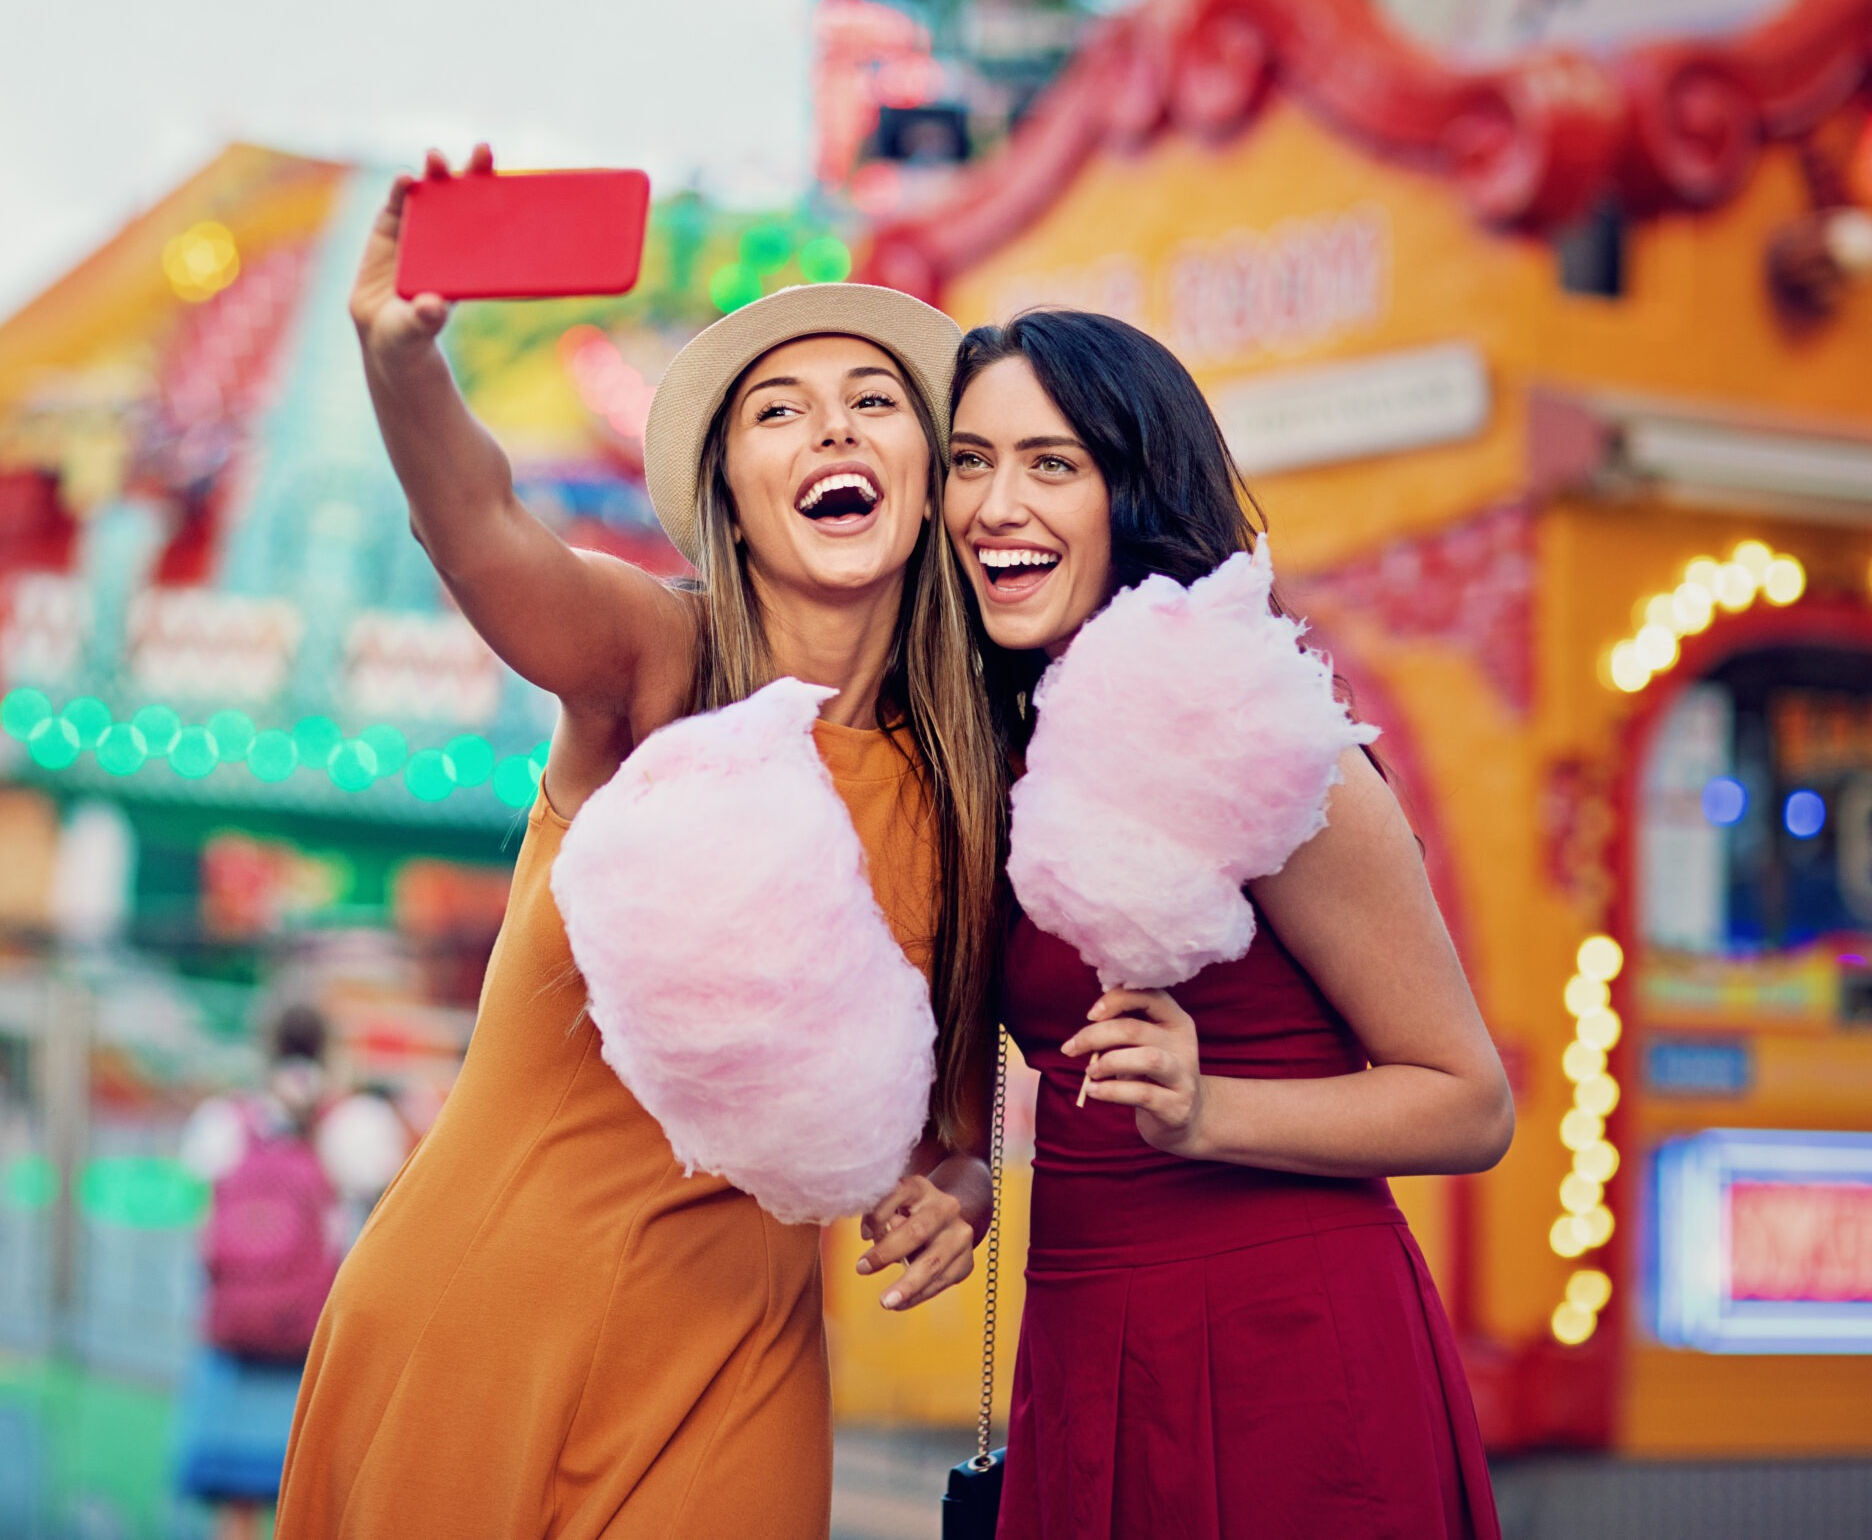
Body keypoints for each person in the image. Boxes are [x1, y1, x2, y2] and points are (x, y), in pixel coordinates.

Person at [275, 150, 1005, 1540]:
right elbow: (481, 529)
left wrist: (958, 1187)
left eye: (873, 404)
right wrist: (401, 364)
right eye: (781, 410)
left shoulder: (971, 784)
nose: (834, 431)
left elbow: (951, 1118)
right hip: (484, 1316)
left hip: (739, 1359)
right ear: (729, 487)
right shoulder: (654, 660)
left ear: (928, 474)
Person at [942, 309, 1514, 1540]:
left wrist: (1211, 1110)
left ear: (1135, 493)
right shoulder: (996, 748)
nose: (996, 503)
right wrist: (947, 1165)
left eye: (1053, 463)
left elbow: (1469, 1102)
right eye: (969, 461)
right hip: (1086, 1328)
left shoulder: (1267, 746)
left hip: (1280, 1344)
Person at [175, 1005, 405, 1540]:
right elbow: (382, 1185)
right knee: (312, 1486)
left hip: (235, 1329)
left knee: (237, 1498)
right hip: (313, 1333)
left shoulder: (225, 1119)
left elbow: (199, 1202)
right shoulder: (352, 1122)